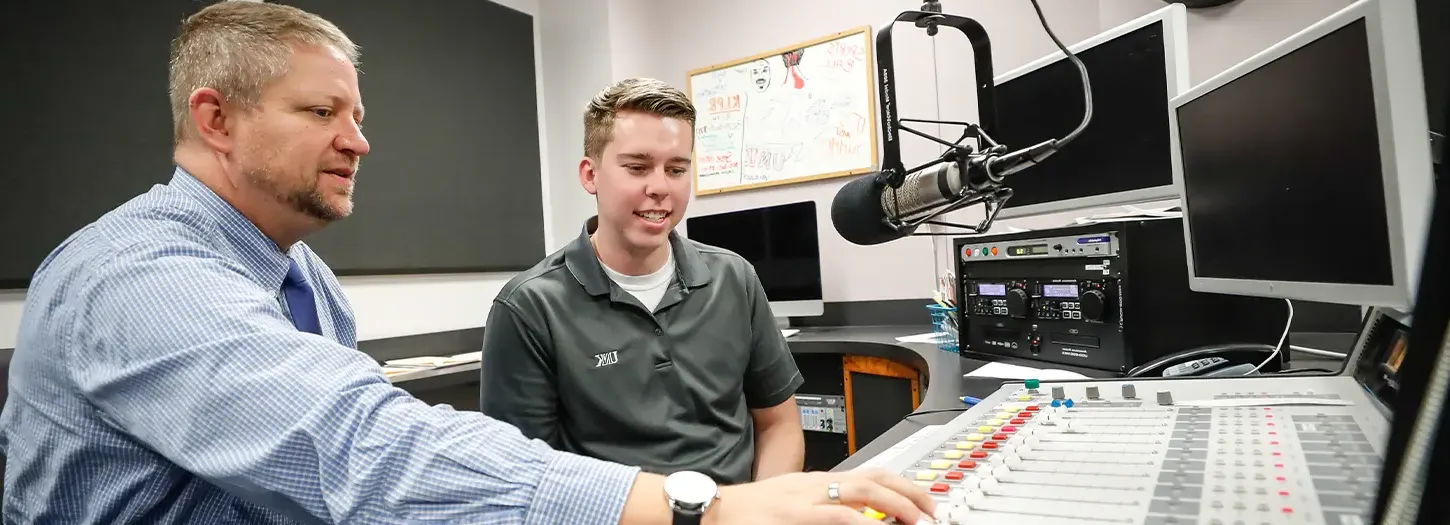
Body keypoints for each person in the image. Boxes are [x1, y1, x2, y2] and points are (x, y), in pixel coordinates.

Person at [0, 2, 935, 524]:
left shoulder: (303, 279)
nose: (358, 141)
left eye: (358, 115)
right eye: (323, 113)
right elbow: (363, 449)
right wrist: (711, 511)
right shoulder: (136, 274)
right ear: (215, 118)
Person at [477, 78, 807, 485]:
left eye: (676, 169)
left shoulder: (734, 278)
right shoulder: (529, 308)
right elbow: (524, 477)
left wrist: (759, 510)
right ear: (590, 174)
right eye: (637, 167)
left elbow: (779, 425)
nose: (660, 188)